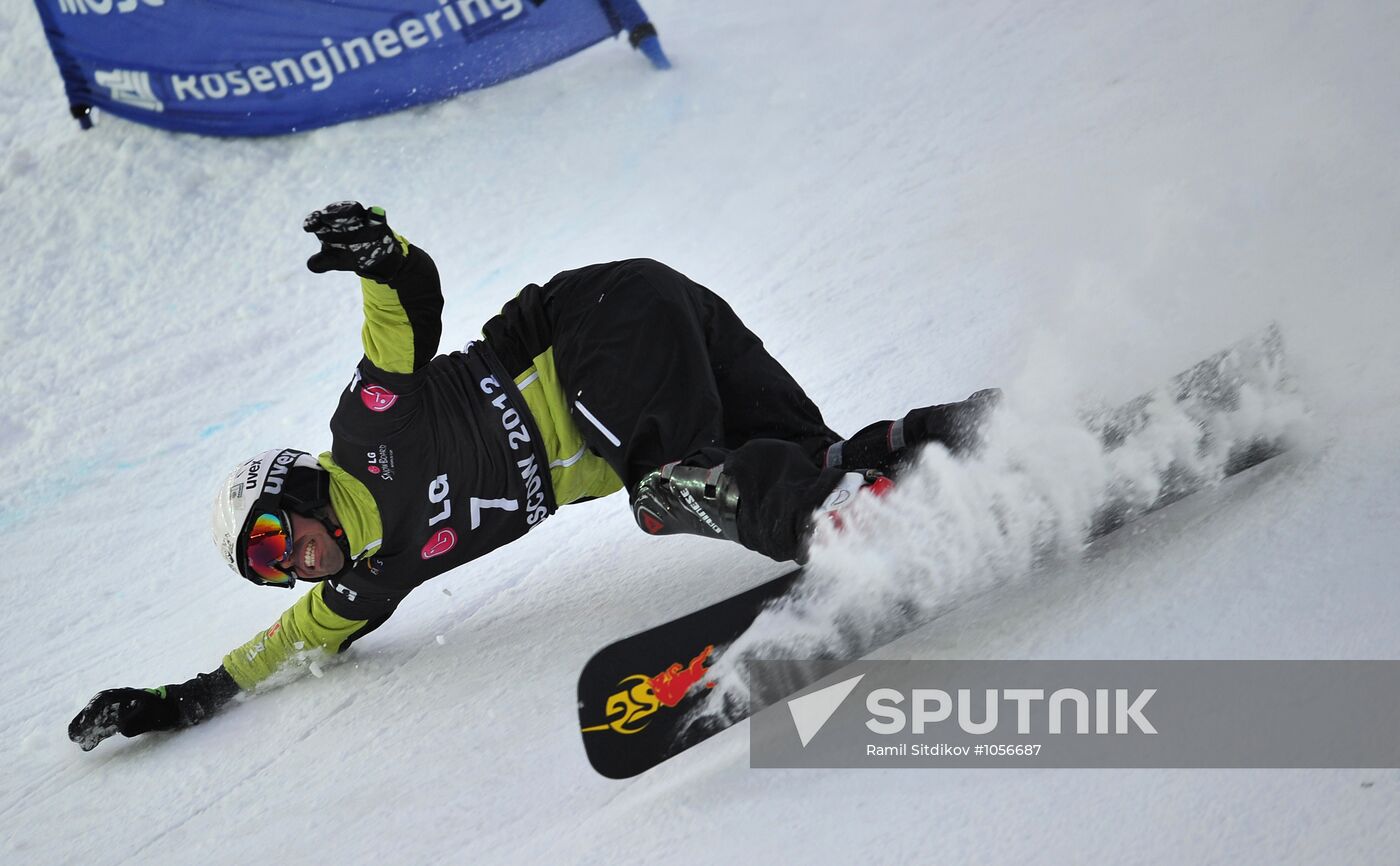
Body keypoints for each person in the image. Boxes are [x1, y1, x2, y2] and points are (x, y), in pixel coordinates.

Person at [68, 202, 998, 751]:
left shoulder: (365, 426)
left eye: (276, 541)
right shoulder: (366, 580)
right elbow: (277, 649)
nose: (293, 568)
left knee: (669, 487)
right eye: (270, 571)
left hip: (594, 326)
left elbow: (404, 314)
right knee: (806, 457)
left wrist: (380, 256)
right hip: (661, 339)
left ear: (293, 489)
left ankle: (840, 521)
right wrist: (180, 700)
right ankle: (943, 442)